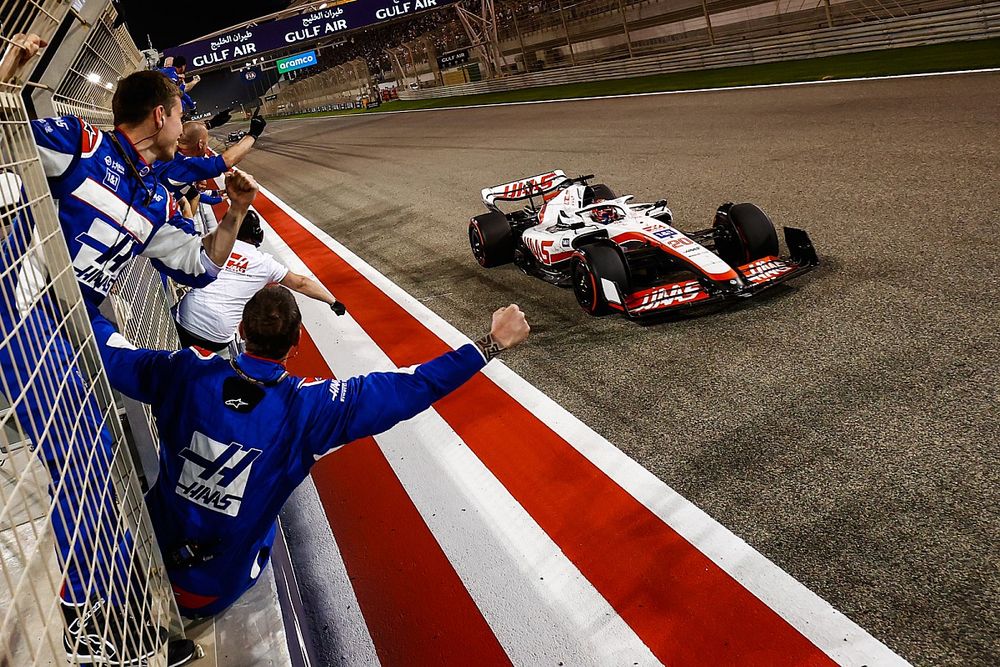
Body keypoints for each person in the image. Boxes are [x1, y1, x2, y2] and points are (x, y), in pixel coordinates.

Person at [91, 285, 530, 617]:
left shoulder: (185, 372)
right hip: (211, 590)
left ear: (240, 332)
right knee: (264, 519)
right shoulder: (311, 407)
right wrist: (491, 343)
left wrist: (80, 294)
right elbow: (414, 386)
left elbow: (109, 351)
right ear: (296, 344)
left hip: (141, 559)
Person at [15, 69, 256, 664]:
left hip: (81, 321)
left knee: (163, 388)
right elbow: (9, 141)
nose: (186, 122)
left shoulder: (153, 193)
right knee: (82, 450)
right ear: (159, 115)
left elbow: (198, 266)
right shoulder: (81, 143)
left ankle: (119, 601)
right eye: (181, 112)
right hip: (22, 307)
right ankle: (93, 622)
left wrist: (235, 212)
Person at [175, 209, 346, 352]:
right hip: (216, 335)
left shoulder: (214, 245)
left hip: (185, 317)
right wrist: (333, 301)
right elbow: (301, 283)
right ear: (258, 235)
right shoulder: (266, 264)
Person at [157, 114, 266, 205]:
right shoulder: (185, 164)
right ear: (200, 144)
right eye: (206, 141)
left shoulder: (172, 157)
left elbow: (195, 193)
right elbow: (227, 161)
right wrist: (253, 134)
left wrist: (210, 124)